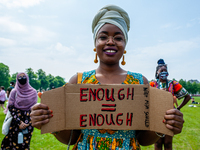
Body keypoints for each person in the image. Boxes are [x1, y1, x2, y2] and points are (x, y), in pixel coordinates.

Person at [30, 5, 184, 149]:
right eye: (103, 37)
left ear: (125, 45)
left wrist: (164, 126)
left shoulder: (139, 82)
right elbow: (72, 137)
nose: (110, 42)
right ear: (95, 43)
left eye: (118, 38)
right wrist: (49, 122)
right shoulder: (78, 81)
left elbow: (142, 139)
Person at [150, 59, 191, 150]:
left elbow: (187, 96)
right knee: (158, 142)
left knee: (168, 143)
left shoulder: (173, 83)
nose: (164, 73)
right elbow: (146, 98)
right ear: (157, 73)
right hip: (157, 116)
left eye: (165, 71)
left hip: (170, 116)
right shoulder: (153, 84)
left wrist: (178, 108)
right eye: (162, 71)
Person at [1, 72, 38, 150]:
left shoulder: (33, 92)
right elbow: (10, 107)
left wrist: (27, 122)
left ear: (27, 78)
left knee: (25, 143)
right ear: (17, 79)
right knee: (13, 143)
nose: (22, 78)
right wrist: (19, 122)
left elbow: (34, 108)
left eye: (24, 76)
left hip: (29, 120)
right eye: (20, 77)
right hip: (16, 120)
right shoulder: (14, 91)